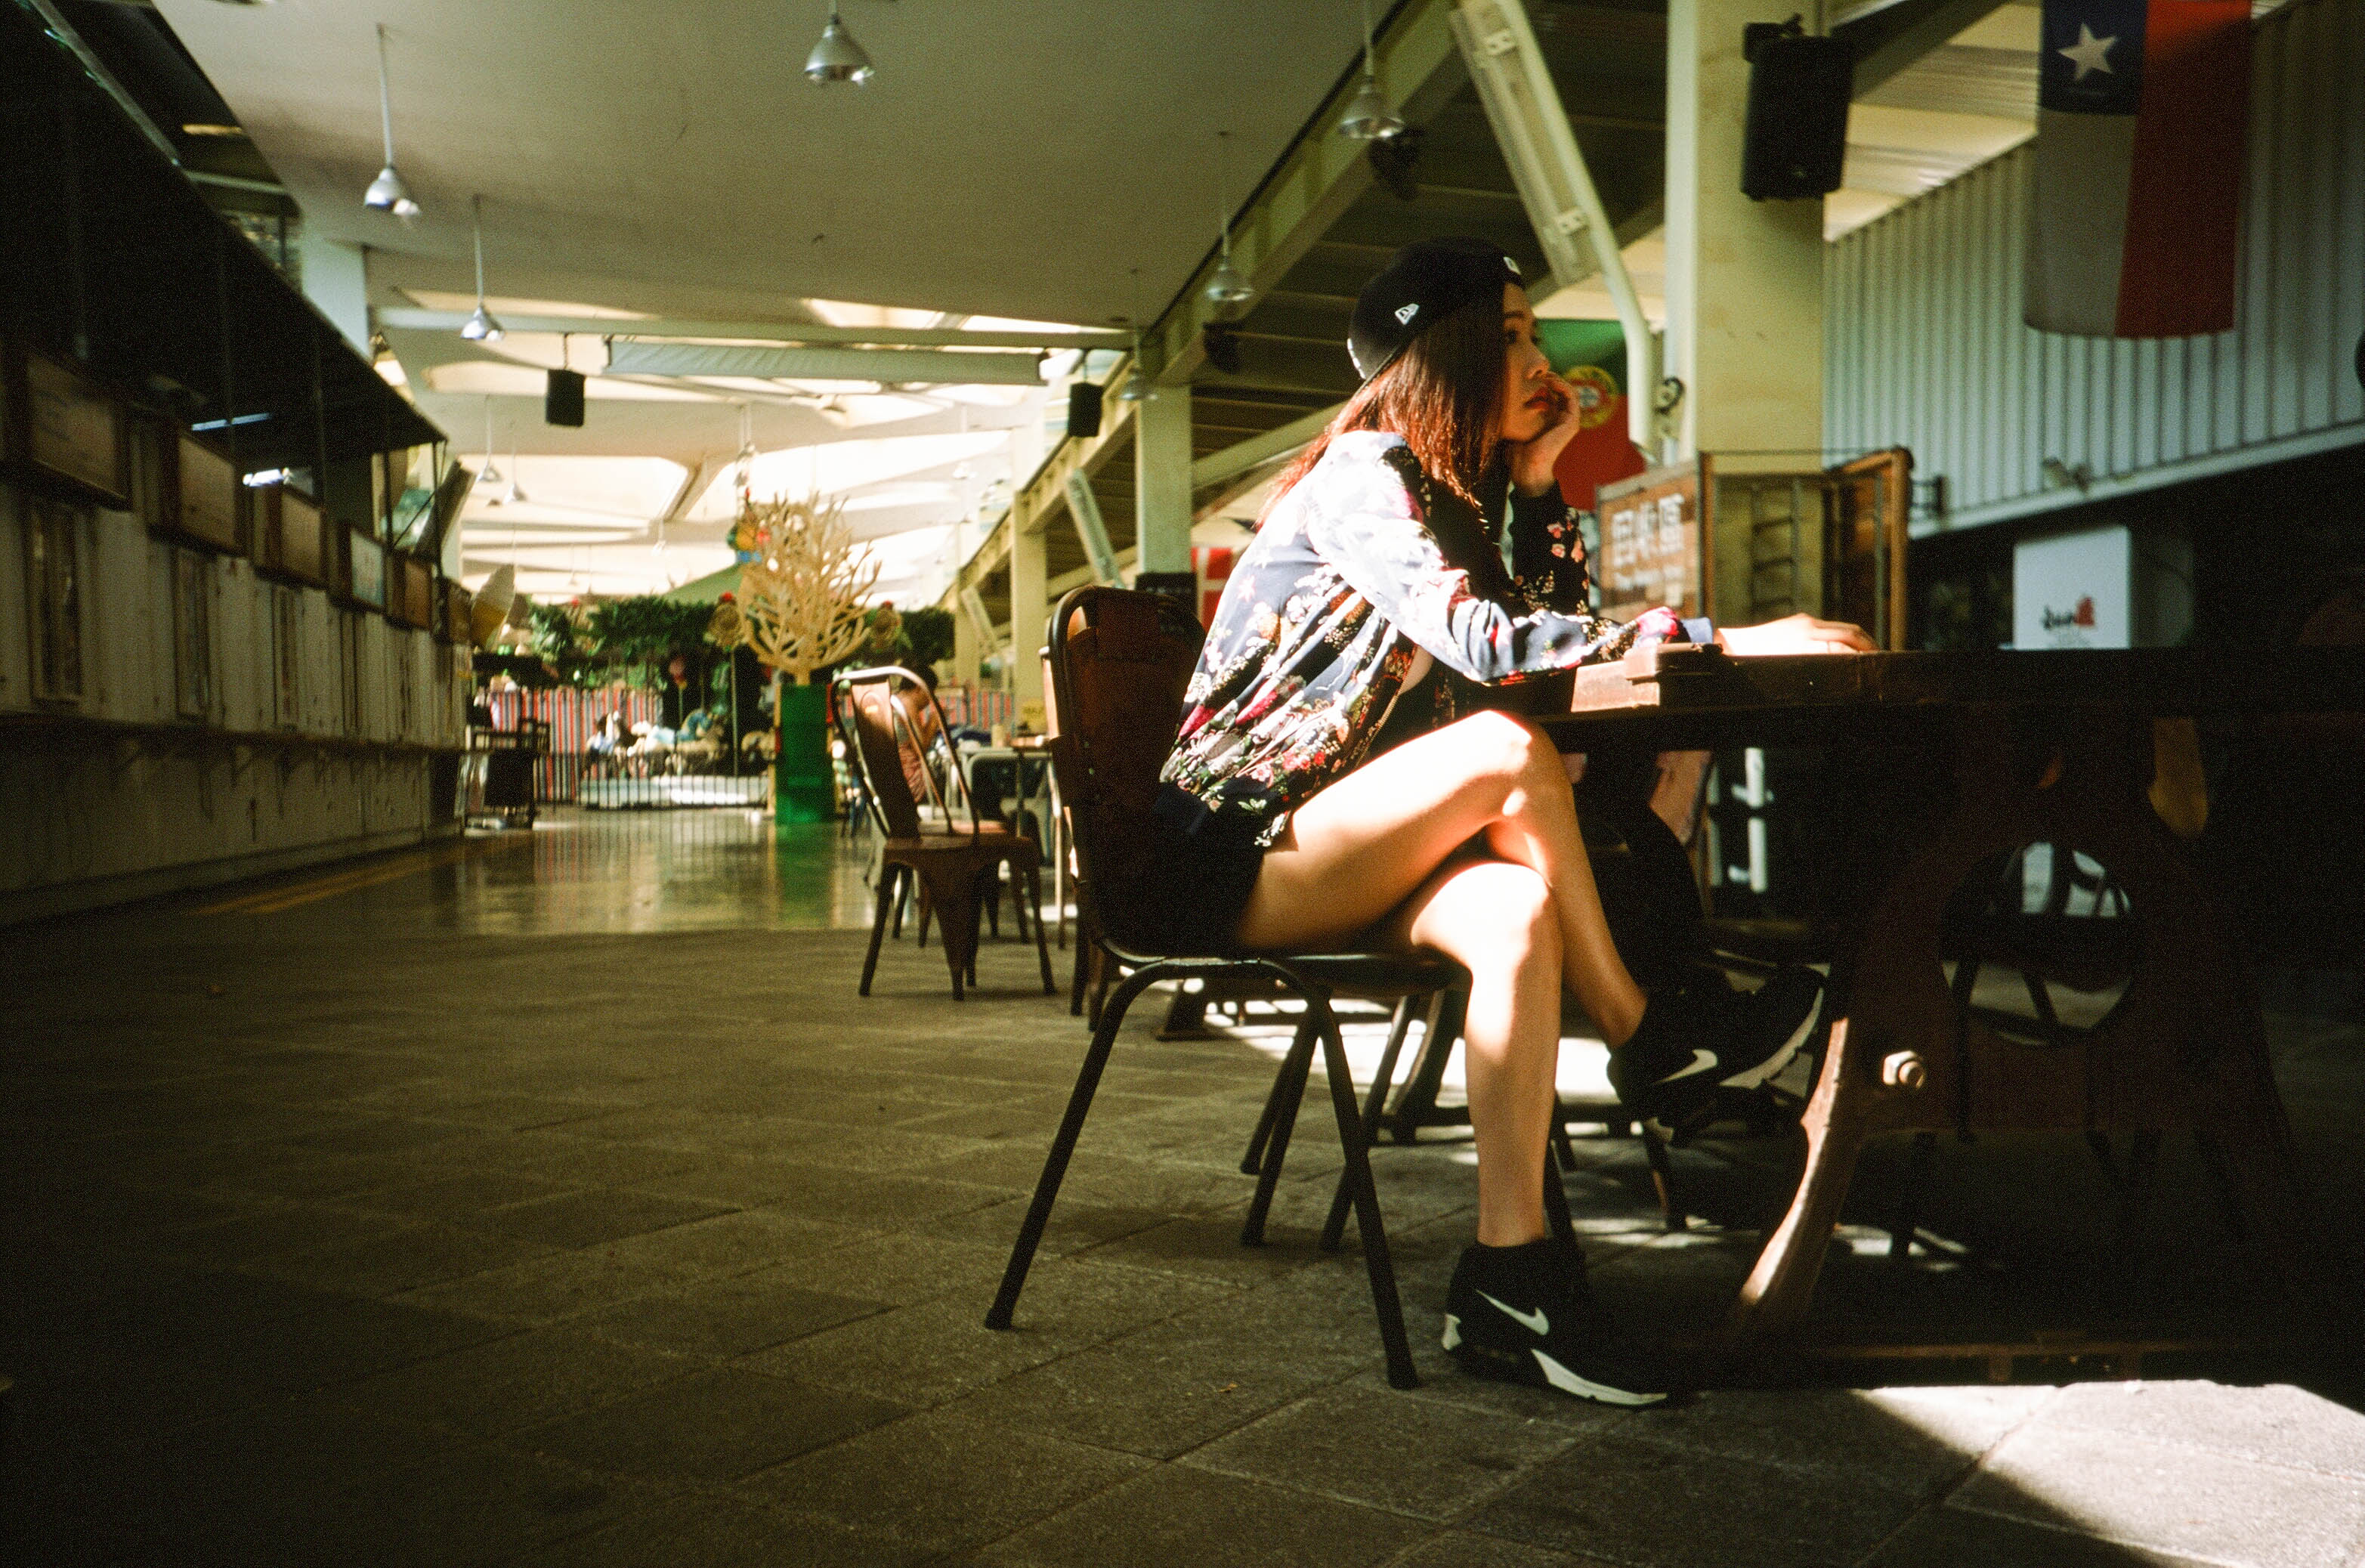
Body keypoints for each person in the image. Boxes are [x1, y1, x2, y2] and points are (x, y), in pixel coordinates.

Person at [1142, 237, 1872, 1407]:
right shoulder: (1363, 470)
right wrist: (1724, 641)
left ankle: (1508, 1276)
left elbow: (1552, 651)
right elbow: (1492, 654)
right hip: (1240, 846)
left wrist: (1539, 486)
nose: (1544, 362)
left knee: (1518, 913)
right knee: (1499, 754)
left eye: (1539, 334)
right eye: (1516, 334)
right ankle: (1651, 1035)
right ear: (1448, 350)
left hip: (1350, 834)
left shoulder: (1466, 495)